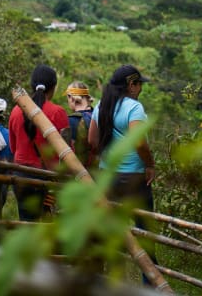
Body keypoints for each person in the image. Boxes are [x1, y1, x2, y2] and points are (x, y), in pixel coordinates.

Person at [88, 64, 157, 281]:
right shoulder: (134, 108)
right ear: (131, 85)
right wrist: (150, 165)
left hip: (108, 177)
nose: (140, 89)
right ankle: (151, 284)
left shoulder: (101, 106)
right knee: (145, 235)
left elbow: (92, 141)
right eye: (139, 84)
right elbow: (140, 143)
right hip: (134, 179)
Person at [8, 64, 71, 220]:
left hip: (20, 174)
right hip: (46, 176)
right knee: (46, 223)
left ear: (32, 85)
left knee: (25, 221)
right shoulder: (57, 112)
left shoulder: (16, 111)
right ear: (53, 87)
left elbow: (13, 147)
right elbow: (66, 152)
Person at [65, 81, 96, 168]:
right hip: (101, 170)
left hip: (79, 171)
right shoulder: (99, 116)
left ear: (71, 98)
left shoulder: (71, 120)